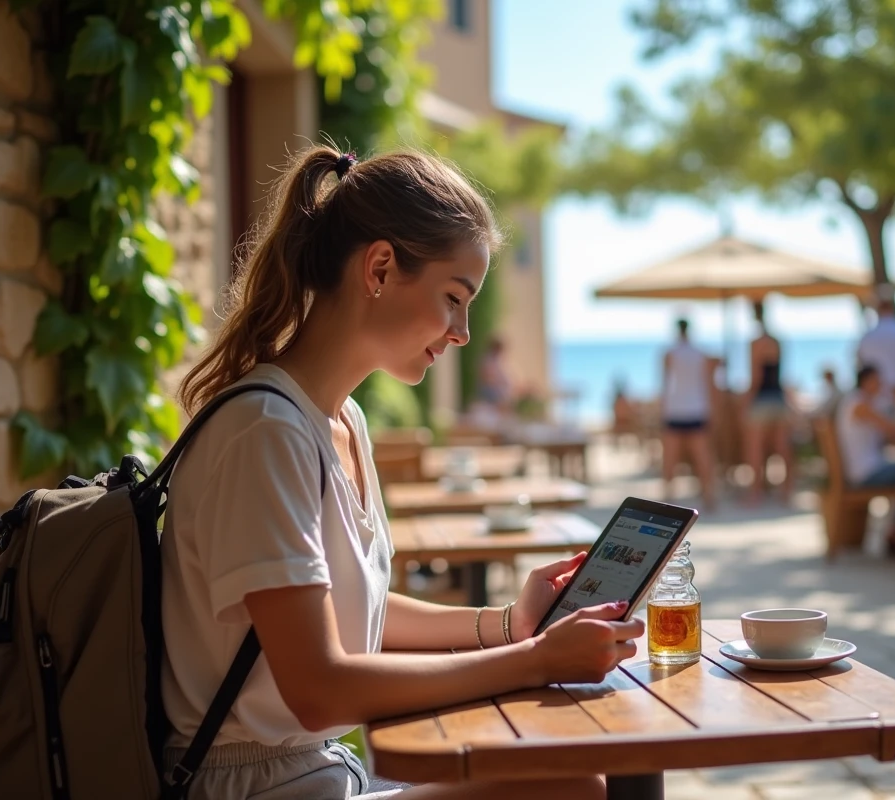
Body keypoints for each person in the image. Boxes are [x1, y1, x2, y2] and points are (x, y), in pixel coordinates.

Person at [166, 147, 633, 800]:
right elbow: (319, 691)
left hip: (316, 774)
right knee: (569, 785)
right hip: (248, 790)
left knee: (568, 773)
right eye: (453, 298)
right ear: (380, 268)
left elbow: (360, 617)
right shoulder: (265, 434)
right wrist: (531, 663)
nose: (464, 332)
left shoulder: (341, 421)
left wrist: (508, 624)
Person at [836, 365, 895, 556]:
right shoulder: (860, 405)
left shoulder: (861, 402)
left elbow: (886, 434)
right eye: (878, 380)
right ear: (866, 381)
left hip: (867, 468)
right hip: (866, 472)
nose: (882, 385)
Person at [660, 317, 719, 509]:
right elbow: (710, 384)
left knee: (671, 457)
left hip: (675, 409)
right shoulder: (701, 354)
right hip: (697, 409)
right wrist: (712, 410)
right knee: (702, 457)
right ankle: (708, 497)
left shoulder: (669, 353)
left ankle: (669, 498)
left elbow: (664, 385)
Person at [744, 300, 793, 505]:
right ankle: (786, 492)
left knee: (755, 449)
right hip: (779, 398)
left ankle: (756, 494)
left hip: (762, 400)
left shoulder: (756, 343)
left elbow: (755, 378)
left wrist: (745, 402)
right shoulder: (777, 341)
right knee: (782, 448)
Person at [476, 336, 513, 413]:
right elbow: (487, 377)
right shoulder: (488, 359)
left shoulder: (499, 360)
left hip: (499, 396)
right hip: (491, 395)